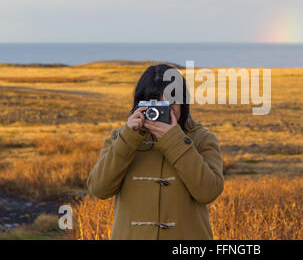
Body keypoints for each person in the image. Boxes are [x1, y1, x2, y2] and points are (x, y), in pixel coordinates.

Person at [87, 63, 224, 239]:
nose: (164, 109)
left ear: (183, 102)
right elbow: (99, 189)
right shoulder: (122, 138)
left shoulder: (202, 139)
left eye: (171, 101)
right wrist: (128, 138)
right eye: (155, 102)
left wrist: (175, 141)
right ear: (140, 104)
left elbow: (208, 192)